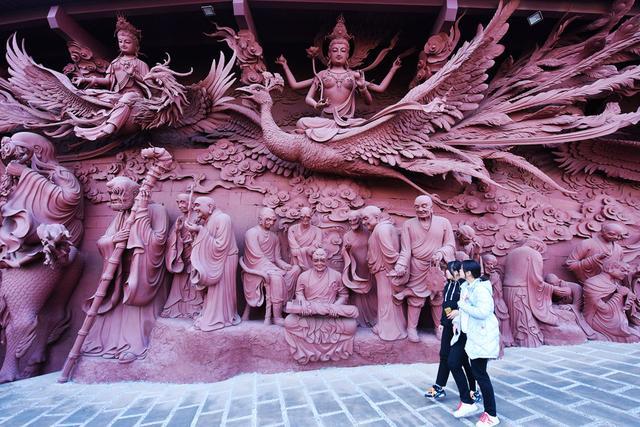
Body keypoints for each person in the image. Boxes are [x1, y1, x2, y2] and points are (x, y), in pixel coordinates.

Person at [82, 176, 170, 363]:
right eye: (111, 194)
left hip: (142, 272)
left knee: (135, 311)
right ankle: (112, 344)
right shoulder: (121, 216)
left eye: (119, 193)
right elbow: (103, 240)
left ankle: (134, 345)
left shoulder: (157, 210)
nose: (113, 198)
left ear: (136, 194)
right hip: (121, 272)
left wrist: (143, 213)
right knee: (115, 310)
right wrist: (114, 240)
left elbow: (158, 241)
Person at [277, 16, 401, 143]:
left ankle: (336, 132)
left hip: (347, 122)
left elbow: (378, 91)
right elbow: (296, 86)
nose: (339, 53)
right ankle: (340, 133)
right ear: (329, 54)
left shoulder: (355, 75)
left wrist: (392, 70)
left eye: (343, 50)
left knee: (365, 124)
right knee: (301, 122)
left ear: (348, 54)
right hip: (326, 121)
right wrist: (285, 65)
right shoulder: (322, 74)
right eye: (334, 50)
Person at [392, 195, 455, 342]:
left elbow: (451, 245)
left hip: (437, 266)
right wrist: (401, 264)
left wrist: (441, 253)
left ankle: (439, 327)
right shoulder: (408, 224)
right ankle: (411, 328)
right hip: (416, 266)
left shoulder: (444, 223)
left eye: (424, 206)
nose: (420, 209)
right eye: (417, 206)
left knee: (438, 298)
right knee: (415, 298)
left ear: (431, 207)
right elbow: (406, 250)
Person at [450, 260, 500, 427]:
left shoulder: (481, 289)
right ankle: (468, 402)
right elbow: (464, 311)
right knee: (453, 362)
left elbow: (484, 312)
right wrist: (457, 318)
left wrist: (462, 306)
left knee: (480, 374)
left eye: (462, 270)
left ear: (469, 273)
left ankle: (491, 414)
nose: (459, 271)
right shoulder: (466, 287)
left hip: (479, 335)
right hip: (465, 334)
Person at [425, 261, 480, 404]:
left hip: (461, 327)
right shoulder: (448, 285)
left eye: (448, 270)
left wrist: (459, 312)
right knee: (444, 354)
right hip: (449, 326)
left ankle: (473, 390)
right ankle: (439, 386)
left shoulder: (464, 286)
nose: (445, 272)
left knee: (463, 360)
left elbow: (469, 305)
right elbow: (445, 306)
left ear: (456, 271)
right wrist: (442, 323)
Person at [187, 197, 241, 331]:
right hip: (215, 259)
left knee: (220, 290)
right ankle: (209, 314)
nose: (195, 209)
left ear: (210, 206)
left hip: (225, 259)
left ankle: (219, 317)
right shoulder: (208, 221)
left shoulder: (223, 218)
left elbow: (221, 245)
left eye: (198, 205)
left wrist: (200, 230)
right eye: (194, 206)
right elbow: (207, 241)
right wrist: (196, 232)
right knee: (211, 291)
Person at [242, 207, 300, 325]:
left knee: (296, 269)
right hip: (257, 267)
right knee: (277, 277)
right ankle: (277, 316)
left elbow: (277, 259)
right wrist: (276, 270)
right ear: (260, 220)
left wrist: (285, 266)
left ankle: (284, 307)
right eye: (267, 220)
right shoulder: (252, 233)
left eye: (273, 220)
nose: (270, 223)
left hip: (272, 267)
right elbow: (257, 257)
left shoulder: (274, 237)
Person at [361, 205, 407, 341]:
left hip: (386, 271)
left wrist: (396, 269)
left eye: (365, 219)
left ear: (377, 217)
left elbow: (390, 253)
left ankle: (390, 331)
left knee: (387, 299)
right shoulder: (381, 228)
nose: (364, 223)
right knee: (385, 300)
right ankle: (385, 326)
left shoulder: (382, 229)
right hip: (382, 271)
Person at [161, 193, 203, 319]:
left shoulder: (199, 219)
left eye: (183, 202)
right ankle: (175, 309)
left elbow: (205, 237)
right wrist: (177, 231)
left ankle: (195, 310)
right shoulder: (180, 219)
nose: (180, 205)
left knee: (193, 284)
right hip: (181, 258)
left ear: (191, 203)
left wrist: (195, 235)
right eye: (178, 202)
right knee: (179, 284)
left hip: (194, 257)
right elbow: (171, 241)